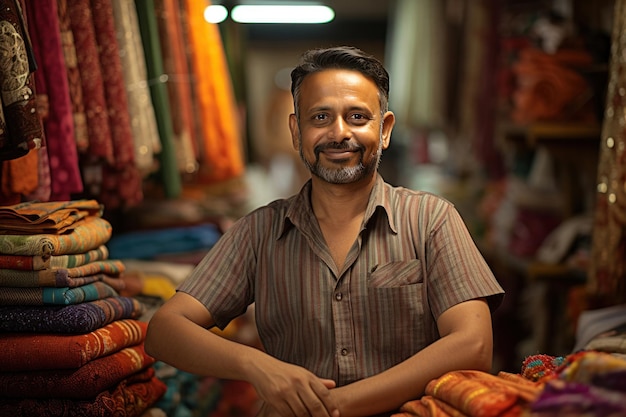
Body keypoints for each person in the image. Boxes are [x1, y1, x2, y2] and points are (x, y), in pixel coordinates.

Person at [145, 46, 505, 417]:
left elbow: (473, 344)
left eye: (357, 117)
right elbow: (165, 331)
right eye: (320, 117)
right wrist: (256, 365)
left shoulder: (431, 219)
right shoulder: (259, 232)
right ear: (296, 131)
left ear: (384, 130)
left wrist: (337, 406)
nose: (338, 132)